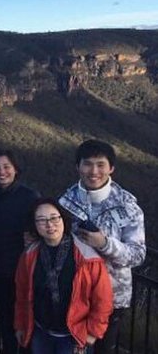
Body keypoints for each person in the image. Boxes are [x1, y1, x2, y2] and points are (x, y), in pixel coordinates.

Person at [58, 139, 146, 354]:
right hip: (73, 292)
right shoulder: (66, 202)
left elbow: (137, 255)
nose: (94, 171)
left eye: (100, 165)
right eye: (87, 164)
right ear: (77, 167)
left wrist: (104, 244)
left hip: (112, 298)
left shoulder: (128, 207)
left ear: (111, 168)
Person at [14, 198, 113, 353]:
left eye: (54, 217)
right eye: (41, 220)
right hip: (41, 331)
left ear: (63, 218)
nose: (49, 224)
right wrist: (21, 325)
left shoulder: (87, 258)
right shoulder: (29, 256)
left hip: (73, 335)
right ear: (34, 225)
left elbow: (103, 299)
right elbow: (22, 294)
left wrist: (92, 333)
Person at [0, 150, 40, 354]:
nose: (1, 172)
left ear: (16, 169)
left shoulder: (29, 197)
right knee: (5, 317)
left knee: (23, 318)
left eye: (6, 167)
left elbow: (36, 232)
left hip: (20, 270)